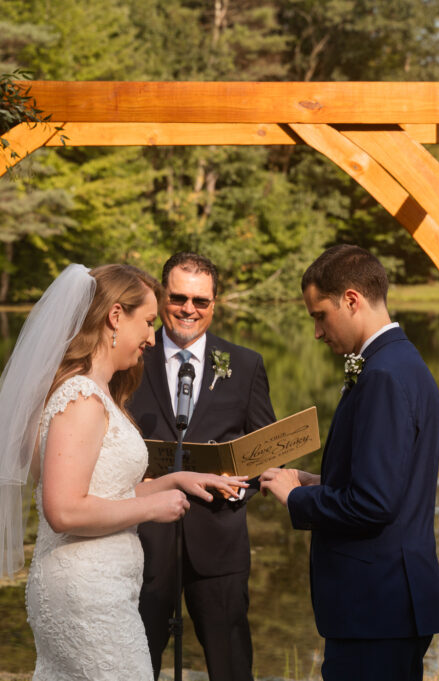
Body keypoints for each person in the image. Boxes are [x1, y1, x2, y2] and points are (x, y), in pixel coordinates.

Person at [0, 263, 244, 681]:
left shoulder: (92, 391)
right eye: (147, 322)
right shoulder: (81, 400)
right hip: (86, 594)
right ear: (115, 316)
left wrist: (176, 480)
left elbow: (106, 489)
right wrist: (151, 508)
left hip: (99, 588)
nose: (152, 337)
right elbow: (65, 511)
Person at [259, 244, 439, 681]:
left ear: (352, 300)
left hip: (376, 606)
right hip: (386, 604)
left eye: (320, 315)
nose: (318, 332)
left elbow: (373, 504)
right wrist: (320, 480)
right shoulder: (399, 361)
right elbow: (389, 478)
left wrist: (297, 499)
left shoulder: (382, 375)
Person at [128, 252, 276, 681]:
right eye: (178, 298)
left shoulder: (245, 365)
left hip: (220, 538)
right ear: (161, 296)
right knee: (137, 662)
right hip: (144, 543)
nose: (188, 309)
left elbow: (263, 451)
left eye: (200, 301)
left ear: (215, 304)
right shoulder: (132, 356)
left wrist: (240, 483)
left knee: (230, 666)